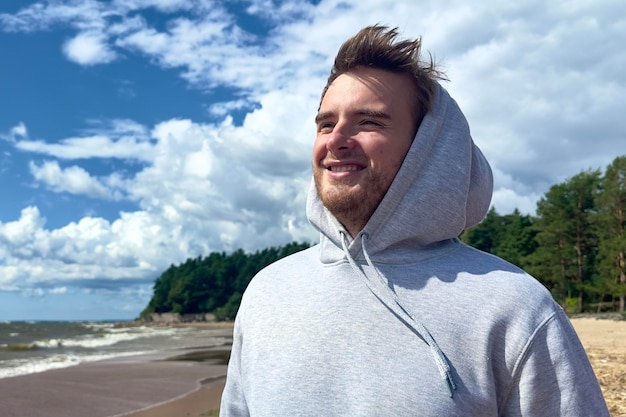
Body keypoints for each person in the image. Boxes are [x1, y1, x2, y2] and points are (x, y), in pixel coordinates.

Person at [219, 25, 609, 416]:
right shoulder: (265, 294)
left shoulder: (514, 308)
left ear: (428, 148)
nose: (336, 139)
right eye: (326, 123)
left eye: (369, 122)